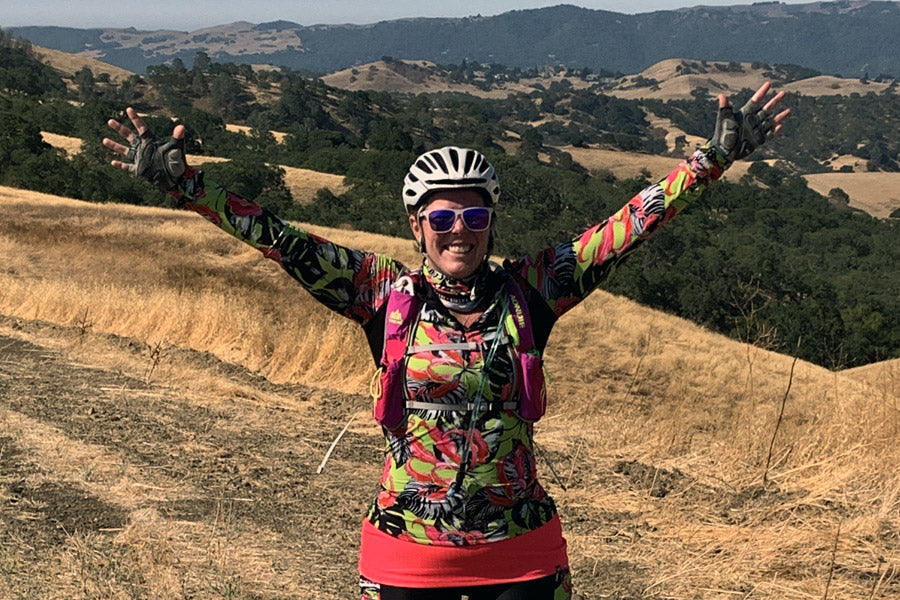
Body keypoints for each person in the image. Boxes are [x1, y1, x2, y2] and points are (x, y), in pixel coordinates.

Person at [103, 83, 790, 600]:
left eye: (474, 215)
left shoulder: (533, 288)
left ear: (491, 221)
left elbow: (627, 227)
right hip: (407, 555)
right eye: (442, 216)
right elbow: (280, 239)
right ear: (416, 225)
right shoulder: (380, 292)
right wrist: (186, 187)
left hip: (521, 553)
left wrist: (713, 159)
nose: (459, 229)